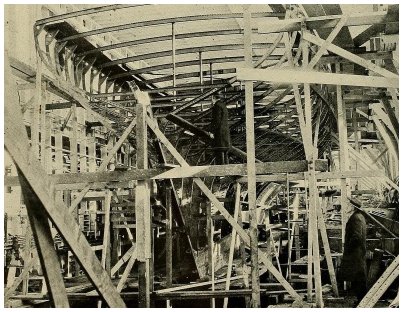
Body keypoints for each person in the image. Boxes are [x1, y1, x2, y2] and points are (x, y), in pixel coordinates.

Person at [339, 198, 368, 302]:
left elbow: (357, 236)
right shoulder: (359, 217)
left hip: (356, 252)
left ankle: (362, 301)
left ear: (352, 207)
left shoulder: (356, 218)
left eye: (348, 205)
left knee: (358, 277)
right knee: (358, 276)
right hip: (357, 252)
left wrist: (348, 248)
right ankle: (361, 300)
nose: (346, 206)